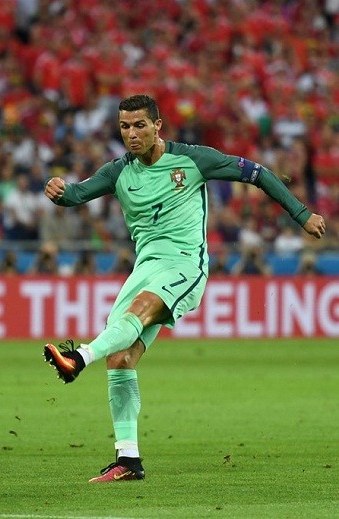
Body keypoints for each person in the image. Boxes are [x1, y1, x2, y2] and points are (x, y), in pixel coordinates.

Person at [42, 94, 326, 483]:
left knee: (137, 311)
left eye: (140, 125)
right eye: (124, 127)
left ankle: (79, 358)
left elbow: (257, 173)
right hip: (145, 267)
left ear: (158, 126)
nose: (131, 134)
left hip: (185, 264)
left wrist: (302, 213)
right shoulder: (117, 172)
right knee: (121, 359)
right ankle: (128, 460)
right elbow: (75, 195)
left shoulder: (192, 159)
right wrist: (59, 190)